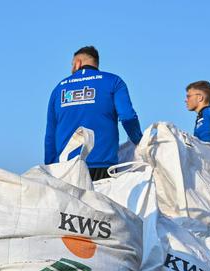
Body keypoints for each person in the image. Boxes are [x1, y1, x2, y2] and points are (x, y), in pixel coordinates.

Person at [44, 46, 143, 180]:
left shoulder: (58, 89)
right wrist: (139, 142)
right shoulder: (114, 82)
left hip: (65, 169)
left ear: (78, 62)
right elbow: (128, 117)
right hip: (103, 166)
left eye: (72, 64)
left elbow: (50, 136)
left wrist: (50, 170)